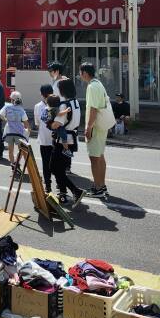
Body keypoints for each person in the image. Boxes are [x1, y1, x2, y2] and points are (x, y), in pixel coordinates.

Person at [46, 94, 86, 208]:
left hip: (63, 141)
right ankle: (63, 195)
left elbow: (56, 124)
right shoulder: (75, 102)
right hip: (71, 139)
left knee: (54, 168)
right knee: (60, 170)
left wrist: (50, 125)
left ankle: (76, 191)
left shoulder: (63, 105)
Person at [80, 62, 112, 199]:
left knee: (94, 158)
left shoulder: (92, 87)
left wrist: (88, 127)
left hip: (95, 126)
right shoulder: (98, 84)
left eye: (80, 73)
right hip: (102, 126)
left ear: (85, 73)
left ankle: (98, 188)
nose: (80, 75)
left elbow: (93, 109)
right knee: (100, 156)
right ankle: (102, 185)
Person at [0, 91, 30, 173]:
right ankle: (16, 163)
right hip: (19, 132)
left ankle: (13, 164)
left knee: (10, 150)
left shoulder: (7, 107)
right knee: (21, 150)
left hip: (9, 131)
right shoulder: (21, 109)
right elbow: (26, 123)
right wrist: (27, 130)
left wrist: (6, 120)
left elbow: (0, 115)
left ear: (12, 99)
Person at [34, 85, 55, 193]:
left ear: (41, 94)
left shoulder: (37, 106)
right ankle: (61, 188)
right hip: (56, 140)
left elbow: (37, 124)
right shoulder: (58, 105)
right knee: (57, 165)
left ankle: (48, 186)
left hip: (43, 139)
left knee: (46, 164)